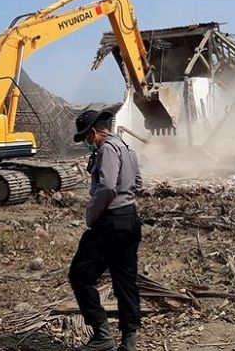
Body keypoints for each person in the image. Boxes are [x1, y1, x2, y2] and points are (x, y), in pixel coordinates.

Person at [69, 109, 143, 351]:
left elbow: (108, 186)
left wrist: (91, 215)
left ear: (93, 132)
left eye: (87, 138)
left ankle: (102, 336)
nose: (87, 143)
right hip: (130, 219)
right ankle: (129, 342)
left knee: (80, 274)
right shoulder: (126, 147)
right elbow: (139, 182)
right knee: (125, 280)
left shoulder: (107, 149)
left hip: (110, 223)